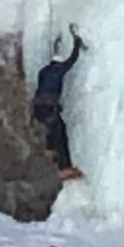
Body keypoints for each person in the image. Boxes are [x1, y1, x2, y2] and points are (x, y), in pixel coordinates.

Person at [32, 31, 83, 179]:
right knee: (60, 134)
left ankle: (50, 150)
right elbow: (72, 60)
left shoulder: (44, 71)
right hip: (49, 109)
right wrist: (77, 44)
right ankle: (64, 167)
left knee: (52, 131)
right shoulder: (57, 70)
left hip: (39, 108)